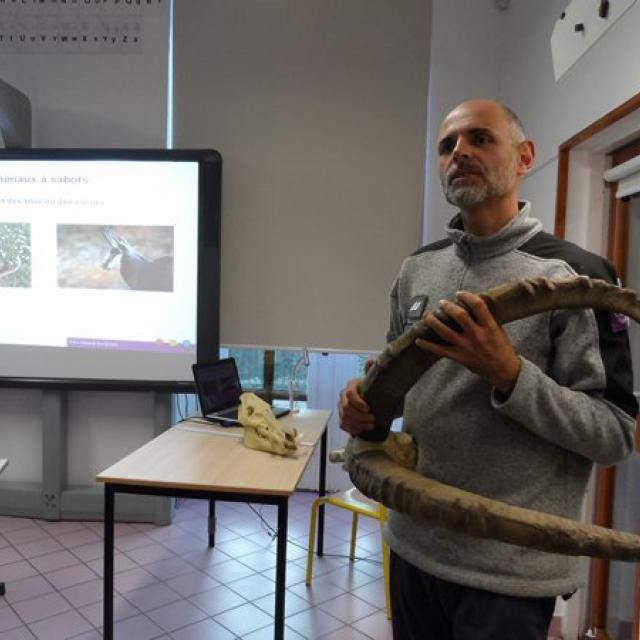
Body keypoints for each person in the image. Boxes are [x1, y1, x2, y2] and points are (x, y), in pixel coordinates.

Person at [339, 99, 638, 640]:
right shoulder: (418, 268)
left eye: (481, 139)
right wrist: (365, 405)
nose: (460, 154)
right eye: (447, 145)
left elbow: (615, 434)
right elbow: (399, 389)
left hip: (510, 573)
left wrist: (508, 374)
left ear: (524, 157)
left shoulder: (577, 276)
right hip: (414, 544)